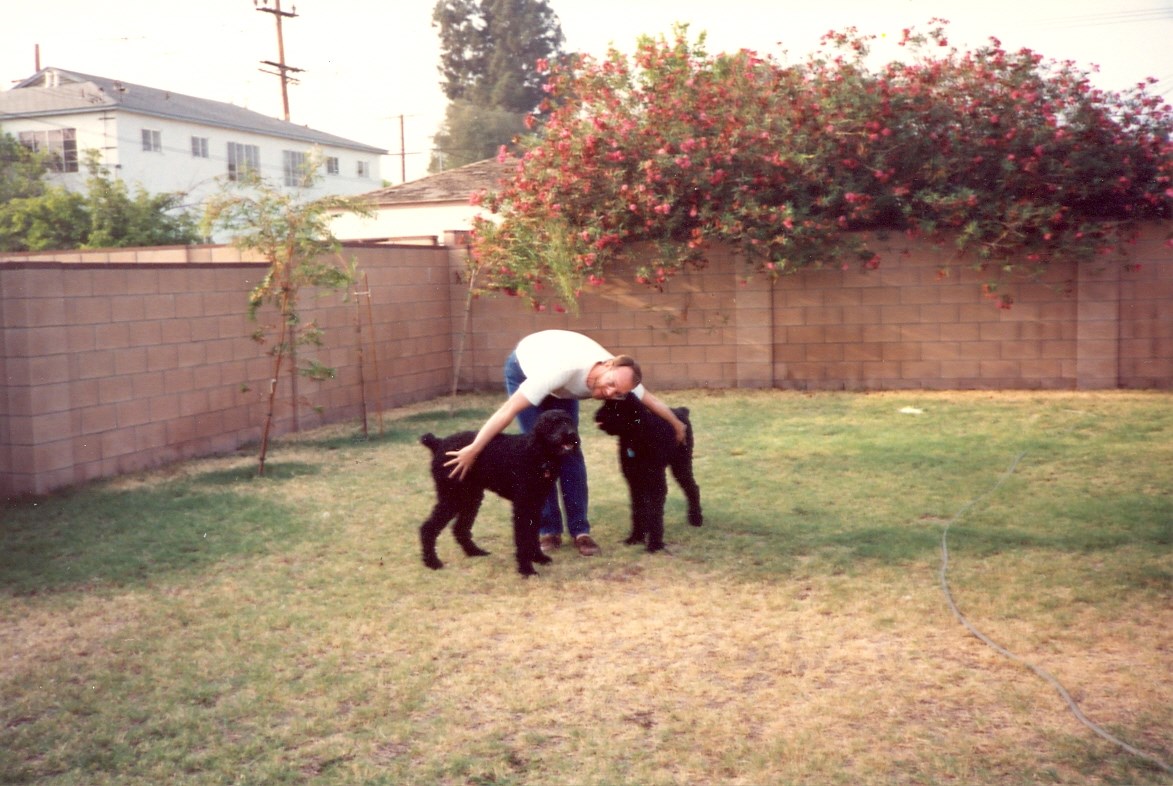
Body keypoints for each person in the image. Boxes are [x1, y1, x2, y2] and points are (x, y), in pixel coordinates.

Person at [444, 330, 687, 556]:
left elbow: (651, 401)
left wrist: (677, 424)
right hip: (527, 367)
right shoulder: (562, 370)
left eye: (618, 393)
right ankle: (549, 530)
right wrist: (474, 449)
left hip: (564, 389)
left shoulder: (623, 376)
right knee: (538, 454)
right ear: (606, 365)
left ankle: (581, 531)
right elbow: (507, 411)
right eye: (610, 384)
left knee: (570, 450)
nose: (610, 393)